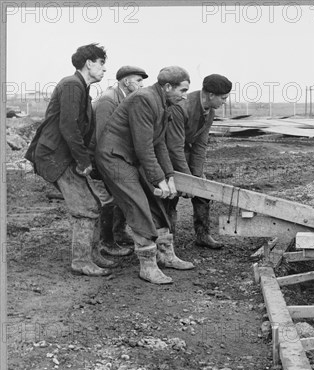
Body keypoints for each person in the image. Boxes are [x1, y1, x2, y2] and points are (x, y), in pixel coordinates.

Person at [95, 66, 195, 285]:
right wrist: (159, 179)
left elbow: (159, 143)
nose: (185, 96)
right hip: (114, 157)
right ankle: (147, 266)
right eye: (183, 90)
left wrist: (169, 176)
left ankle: (165, 254)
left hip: (130, 157)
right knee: (138, 203)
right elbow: (144, 148)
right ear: (168, 87)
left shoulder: (165, 103)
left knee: (156, 200)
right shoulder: (144, 99)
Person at [25, 43, 111, 277]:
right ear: (89, 63)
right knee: (85, 206)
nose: (105, 69)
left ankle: (92, 255)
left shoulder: (81, 87)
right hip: (55, 156)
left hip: (62, 155)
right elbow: (69, 126)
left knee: (93, 203)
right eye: (102, 63)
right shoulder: (73, 85)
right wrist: (83, 161)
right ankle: (81, 261)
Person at [165, 73, 232, 249]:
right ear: (211, 95)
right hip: (166, 154)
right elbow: (174, 147)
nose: (224, 102)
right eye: (223, 98)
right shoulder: (182, 107)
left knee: (202, 192)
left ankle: (203, 235)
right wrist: (187, 180)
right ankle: (167, 242)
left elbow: (200, 146)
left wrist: (195, 178)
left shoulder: (209, 112)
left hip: (183, 151)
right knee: (169, 198)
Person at [92, 65, 148, 258]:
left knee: (120, 193)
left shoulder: (125, 98)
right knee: (105, 199)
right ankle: (106, 242)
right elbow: (101, 137)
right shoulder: (108, 100)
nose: (142, 85)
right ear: (126, 82)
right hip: (98, 157)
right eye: (139, 81)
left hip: (111, 155)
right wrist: (101, 168)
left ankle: (118, 232)